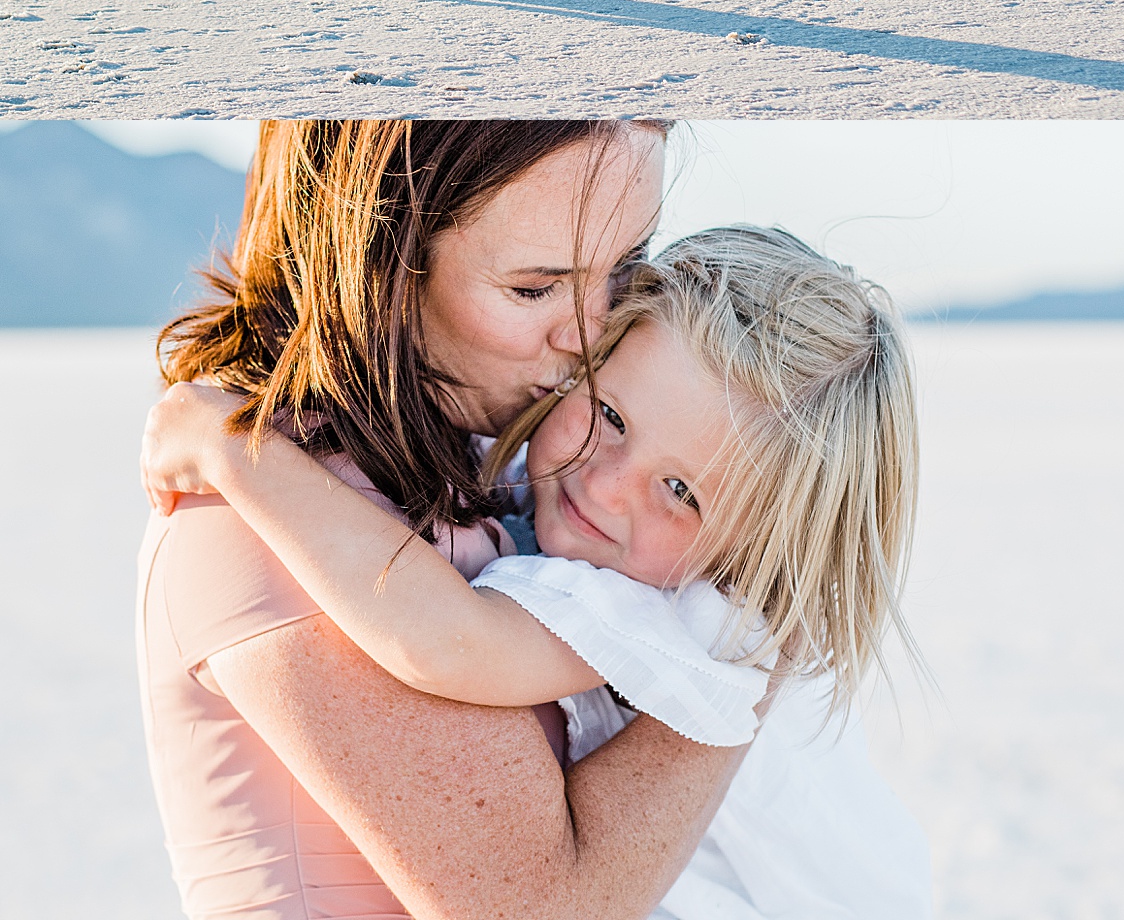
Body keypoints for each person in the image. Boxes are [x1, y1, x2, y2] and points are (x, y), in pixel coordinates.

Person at [142, 225, 931, 920]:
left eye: (682, 493)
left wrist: (232, 451)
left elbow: (447, 642)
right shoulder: (603, 530)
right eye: (613, 415)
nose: (606, 484)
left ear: (756, 552)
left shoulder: (682, 617)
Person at [134, 119, 765, 920]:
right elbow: (542, 908)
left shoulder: (491, 458)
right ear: (379, 257)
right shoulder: (268, 511)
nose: (593, 331)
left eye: (625, 266)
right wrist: (745, 652)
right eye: (534, 288)